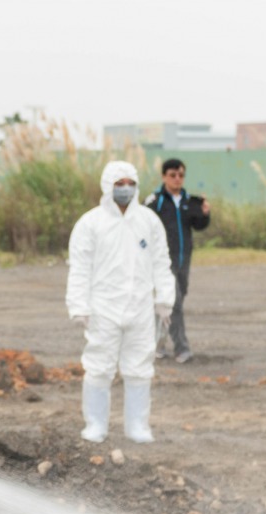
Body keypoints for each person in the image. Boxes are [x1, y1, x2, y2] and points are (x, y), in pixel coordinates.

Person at [66, 160, 175, 443]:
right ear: (107, 186)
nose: (125, 189)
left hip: (140, 306)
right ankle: (95, 426)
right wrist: (78, 305)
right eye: (119, 184)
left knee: (140, 367)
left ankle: (138, 427)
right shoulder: (91, 223)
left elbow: (162, 262)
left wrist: (164, 298)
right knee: (99, 366)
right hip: (103, 307)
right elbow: (79, 267)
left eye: (130, 183)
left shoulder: (148, 221)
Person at [145, 158, 211, 363]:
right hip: (163, 261)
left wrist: (205, 214)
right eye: (173, 175)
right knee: (174, 303)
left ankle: (157, 344)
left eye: (181, 175)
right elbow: (142, 226)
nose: (177, 179)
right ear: (164, 176)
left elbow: (198, 225)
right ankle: (182, 348)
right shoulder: (155, 202)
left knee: (171, 300)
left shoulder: (188, 202)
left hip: (184, 259)